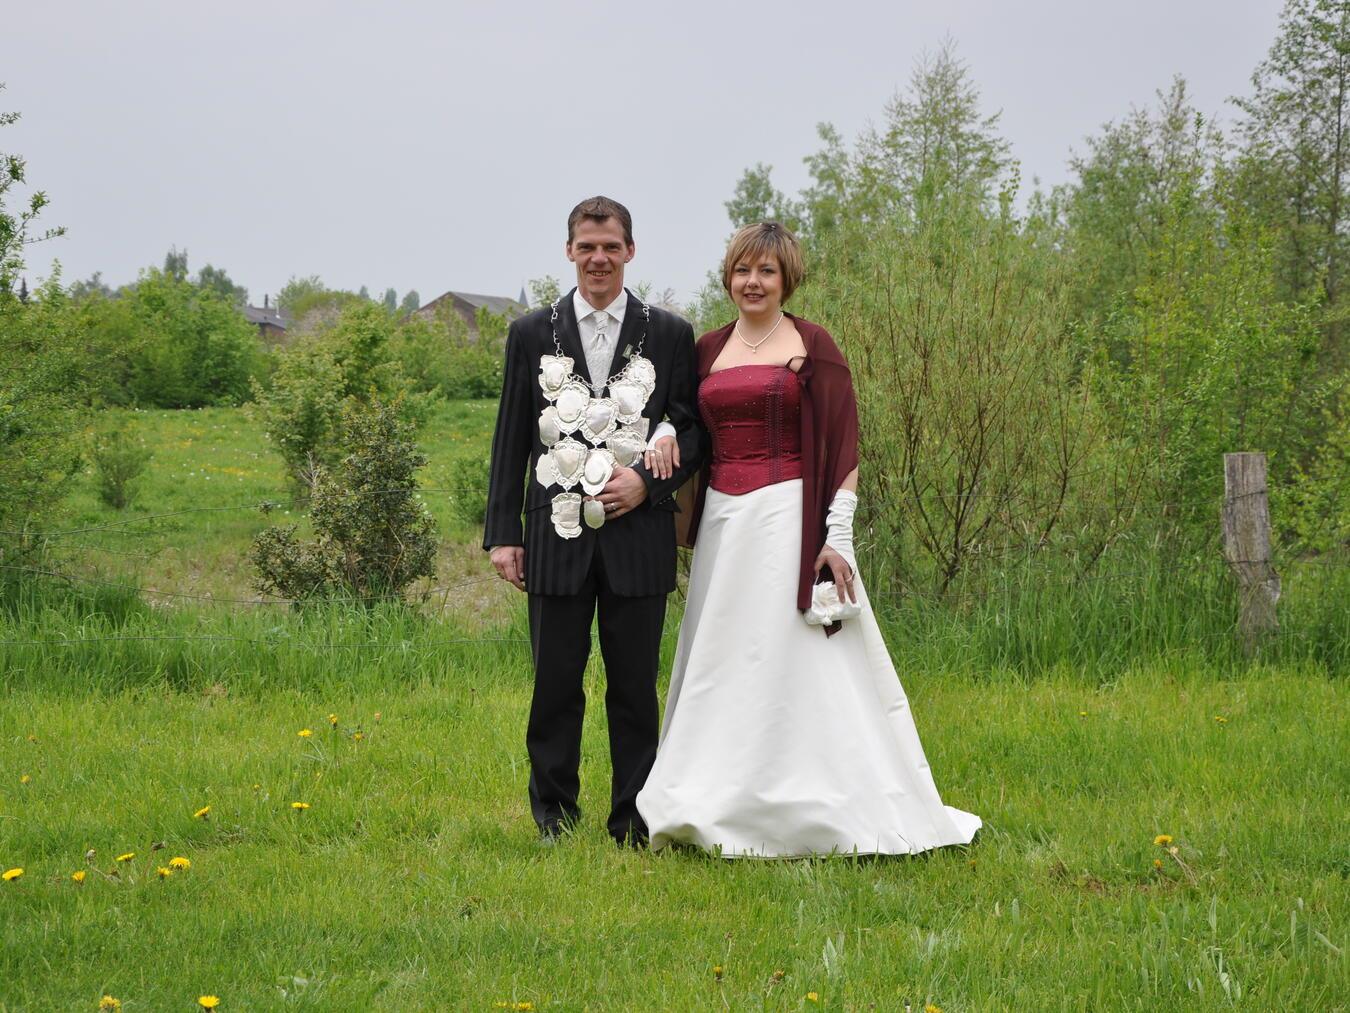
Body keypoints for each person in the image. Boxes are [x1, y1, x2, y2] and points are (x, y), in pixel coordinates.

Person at [635, 222, 981, 857]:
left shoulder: (811, 344)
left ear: (786, 278)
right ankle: (713, 795)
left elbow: (844, 444)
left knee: (792, 656)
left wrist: (837, 537)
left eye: (766, 272)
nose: (753, 282)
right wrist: (659, 434)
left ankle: (814, 797)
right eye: (743, 270)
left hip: (788, 517)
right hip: (723, 524)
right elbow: (679, 416)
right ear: (729, 277)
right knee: (724, 657)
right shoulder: (707, 348)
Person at [483, 196, 704, 846]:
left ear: (630, 251)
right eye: (587, 246)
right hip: (554, 535)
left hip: (640, 538)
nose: (599, 258)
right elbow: (510, 437)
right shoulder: (531, 332)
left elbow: (692, 430)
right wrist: (502, 533)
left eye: (611, 246)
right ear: (569, 251)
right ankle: (554, 815)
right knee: (555, 682)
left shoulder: (668, 333)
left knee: (634, 688)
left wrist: (648, 479)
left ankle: (633, 818)